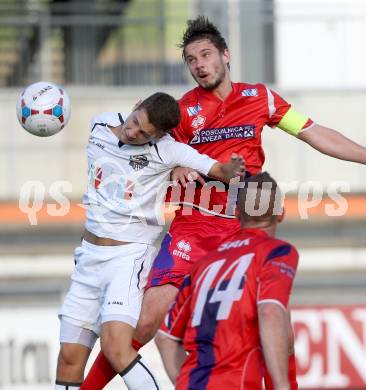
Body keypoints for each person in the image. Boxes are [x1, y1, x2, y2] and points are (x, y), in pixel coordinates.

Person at [81, 16, 366, 389]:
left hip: (242, 231)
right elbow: (152, 153)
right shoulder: (181, 111)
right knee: (149, 319)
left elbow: (314, 132)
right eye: (191, 60)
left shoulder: (261, 98)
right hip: (194, 226)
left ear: (225, 55)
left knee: (271, 329)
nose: (199, 65)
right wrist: (177, 168)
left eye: (206, 55)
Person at [55, 92, 245, 390]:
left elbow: (216, 169)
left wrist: (230, 170)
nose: (133, 132)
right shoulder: (100, 125)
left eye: (145, 133)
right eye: (134, 122)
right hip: (88, 259)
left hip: (128, 259)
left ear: (159, 136)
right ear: (134, 106)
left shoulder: (167, 151)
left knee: (116, 348)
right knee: (68, 357)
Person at [159, 172, 297, 390]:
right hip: (236, 382)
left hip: (190, 382)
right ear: (280, 213)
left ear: (236, 212)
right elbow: (271, 314)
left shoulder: (204, 264)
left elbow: (165, 337)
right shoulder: (276, 252)